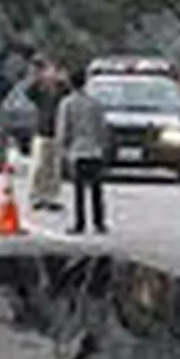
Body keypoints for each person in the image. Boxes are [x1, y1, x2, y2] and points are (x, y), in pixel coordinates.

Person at [55, 66, 109, 235]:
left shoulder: (67, 103)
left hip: (77, 151)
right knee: (96, 189)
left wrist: (62, 149)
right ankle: (99, 222)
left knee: (79, 190)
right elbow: (102, 127)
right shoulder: (95, 103)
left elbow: (63, 128)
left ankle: (80, 222)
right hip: (94, 150)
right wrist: (102, 145)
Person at [26, 56, 71, 211]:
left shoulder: (61, 91)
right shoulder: (40, 91)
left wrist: (62, 80)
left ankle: (51, 196)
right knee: (39, 166)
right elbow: (28, 92)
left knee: (54, 168)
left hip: (57, 132)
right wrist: (38, 78)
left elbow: (69, 93)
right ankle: (36, 195)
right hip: (42, 131)